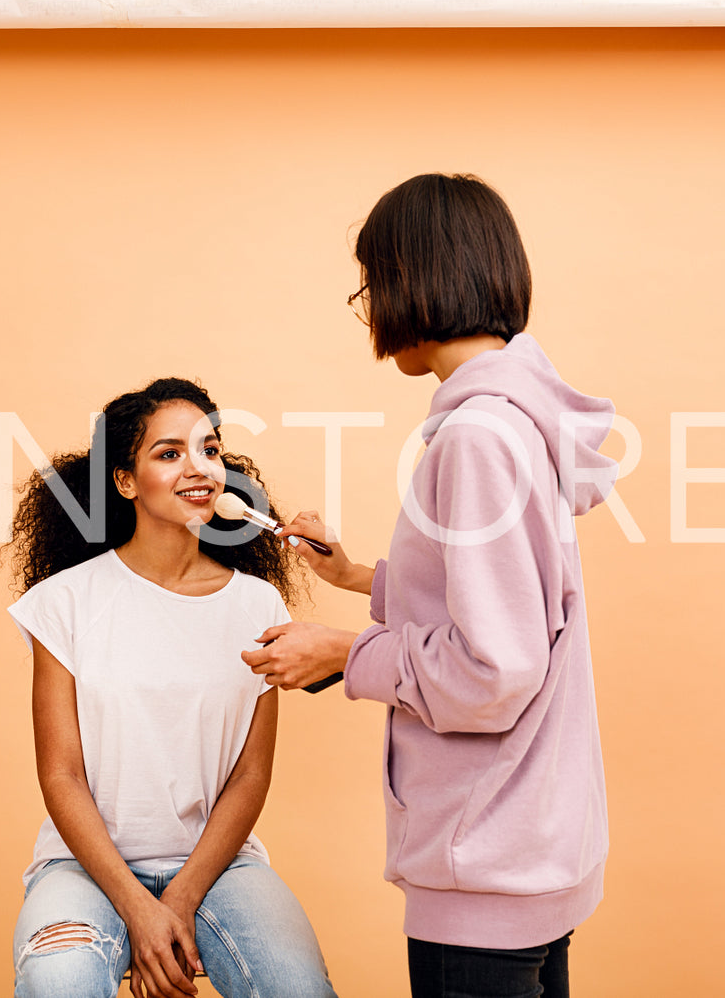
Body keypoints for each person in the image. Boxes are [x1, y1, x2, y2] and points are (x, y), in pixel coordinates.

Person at [243, 173, 617, 998]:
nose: (369, 309)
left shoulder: (475, 438)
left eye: (369, 284)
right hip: (530, 844)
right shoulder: (516, 418)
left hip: (485, 855)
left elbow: (494, 671)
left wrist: (343, 653)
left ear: (411, 280)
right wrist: (354, 577)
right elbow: (515, 605)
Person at [4, 377, 337, 998]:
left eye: (210, 450)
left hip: (220, 866)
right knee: (58, 981)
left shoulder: (258, 604)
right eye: (169, 453)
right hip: (82, 867)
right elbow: (62, 776)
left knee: (300, 989)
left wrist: (180, 897)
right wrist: (138, 907)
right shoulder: (63, 604)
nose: (200, 469)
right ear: (124, 481)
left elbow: (250, 776)